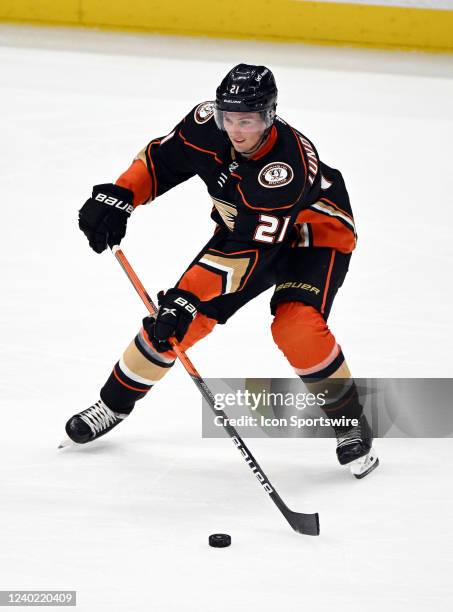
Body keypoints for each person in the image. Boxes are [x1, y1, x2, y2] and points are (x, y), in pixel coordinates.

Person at [64, 64, 378, 479]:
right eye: (228, 117)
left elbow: (250, 250)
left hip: (311, 239)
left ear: (269, 115)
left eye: (246, 120)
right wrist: (122, 195)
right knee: (171, 327)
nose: (235, 130)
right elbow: (162, 160)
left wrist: (187, 296)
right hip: (243, 234)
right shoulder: (206, 124)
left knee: (295, 326)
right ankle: (113, 403)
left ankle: (350, 421)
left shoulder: (284, 169)